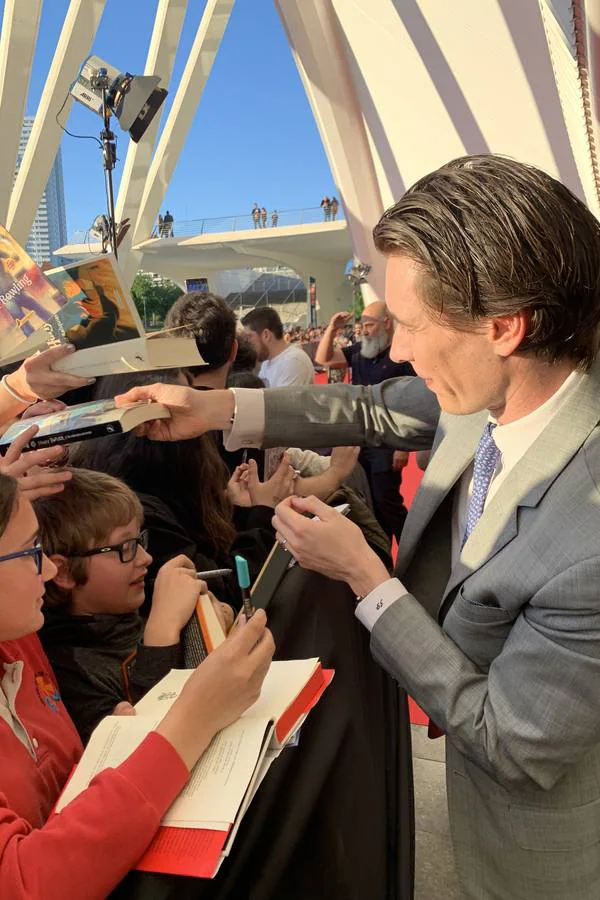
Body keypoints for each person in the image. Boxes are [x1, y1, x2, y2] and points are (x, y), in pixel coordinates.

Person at [116, 153, 600, 900]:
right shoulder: (499, 390)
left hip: (541, 854)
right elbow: (370, 409)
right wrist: (216, 410)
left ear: (504, 326)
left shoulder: (588, 535)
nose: (396, 350)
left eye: (409, 325)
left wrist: (366, 579)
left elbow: (513, 742)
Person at [0, 468, 273, 898]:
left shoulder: (18, 638)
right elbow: (26, 885)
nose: (50, 570)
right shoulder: (53, 645)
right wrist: (191, 716)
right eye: (31, 551)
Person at [35, 467, 234, 744]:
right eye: (125, 547)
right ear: (64, 572)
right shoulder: (65, 671)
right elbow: (154, 746)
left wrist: (218, 624)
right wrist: (161, 635)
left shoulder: (140, 601)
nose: (146, 558)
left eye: (140, 540)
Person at [315, 302, 414, 541]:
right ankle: (382, 553)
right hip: (359, 440)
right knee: (365, 500)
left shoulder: (402, 357)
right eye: (361, 325)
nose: (364, 330)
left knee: (386, 501)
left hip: (387, 440)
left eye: (369, 324)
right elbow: (323, 358)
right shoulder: (360, 351)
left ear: (386, 323)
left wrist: (403, 448)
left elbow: (412, 401)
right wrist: (332, 329)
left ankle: (411, 549)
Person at [241, 306, 315, 387]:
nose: (247, 342)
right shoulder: (266, 363)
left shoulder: (293, 361)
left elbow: (283, 399)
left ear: (266, 335)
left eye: (249, 336)